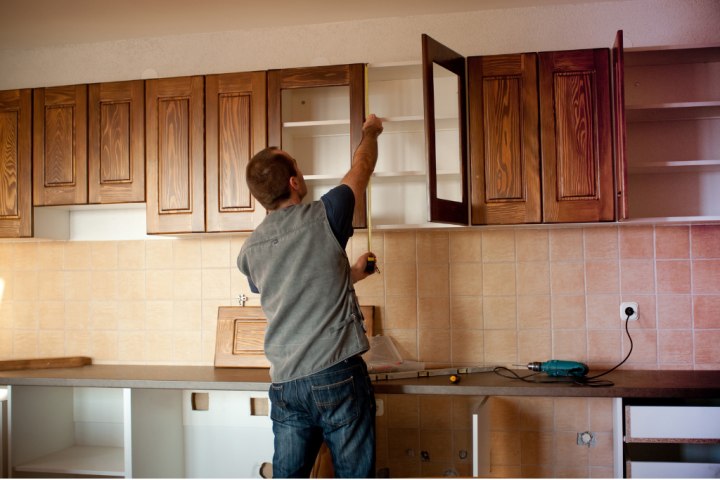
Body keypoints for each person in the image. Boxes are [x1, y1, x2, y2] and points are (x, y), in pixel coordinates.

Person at [237, 114, 384, 478]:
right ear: (294, 182)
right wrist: (371, 131)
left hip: (286, 384)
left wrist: (350, 275)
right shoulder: (327, 214)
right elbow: (362, 166)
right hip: (337, 374)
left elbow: (294, 288)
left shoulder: (249, 252)